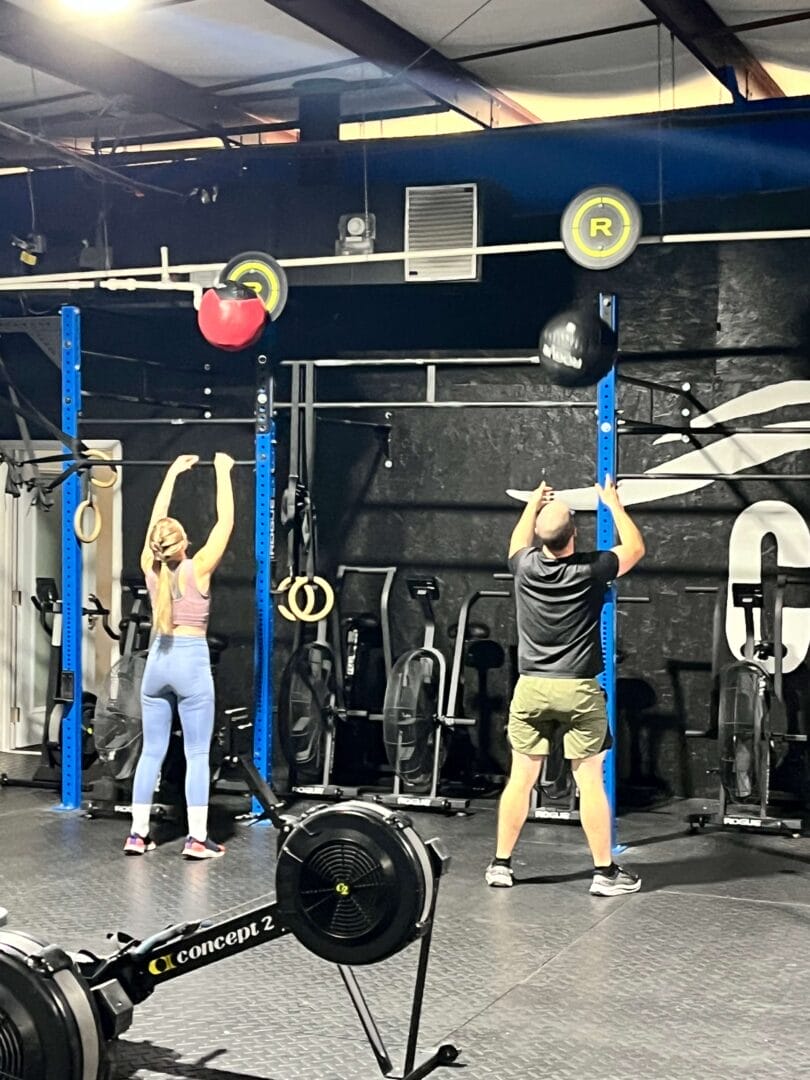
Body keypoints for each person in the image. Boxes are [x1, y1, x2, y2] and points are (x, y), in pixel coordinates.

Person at [485, 474, 645, 895]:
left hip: (532, 688)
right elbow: (636, 548)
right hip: (576, 689)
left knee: (521, 779)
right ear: (574, 533)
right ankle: (604, 874)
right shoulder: (592, 569)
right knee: (589, 780)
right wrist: (612, 503)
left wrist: (533, 504)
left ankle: (500, 865)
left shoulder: (523, 565)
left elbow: (517, 542)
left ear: (540, 537)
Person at [124, 451, 235, 859]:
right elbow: (226, 523)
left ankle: (137, 835)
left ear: (155, 545)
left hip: (157, 660)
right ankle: (197, 839)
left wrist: (170, 473)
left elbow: (157, 521)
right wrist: (223, 473)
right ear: (184, 543)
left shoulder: (148, 566)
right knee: (196, 754)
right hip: (189, 662)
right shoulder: (199, 567)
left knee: (151, 751)